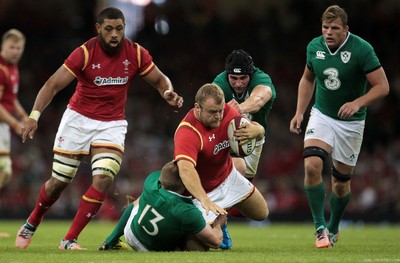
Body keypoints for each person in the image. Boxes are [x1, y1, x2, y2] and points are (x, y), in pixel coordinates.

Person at [15, 7, 183, 250]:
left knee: (104, 178)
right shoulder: (84, 52)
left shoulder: (135, 53)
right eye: (109, 29)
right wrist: (34, 116)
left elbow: (159, 79)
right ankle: (32, 222)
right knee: (58, 183)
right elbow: (52, 85)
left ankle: (69, 240)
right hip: (78, 121)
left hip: (112, 124)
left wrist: (167, 91)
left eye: (119, 28)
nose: (114, 34)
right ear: (98, 29)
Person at [289, 5, 389, 248]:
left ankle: (333, 227)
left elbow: (382, 86)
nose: (329, 32)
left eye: (335, 28)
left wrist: (358, 102)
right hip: (322, 114)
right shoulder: (314, 47)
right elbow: (307, 78)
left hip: (351, 123)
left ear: (346, 30)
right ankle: (319, 228)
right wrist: (299, 112)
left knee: (341, 184)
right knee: (312, 164)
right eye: (325, 27)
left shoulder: (362, 49)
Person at [173, 83, 269, 250]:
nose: (218, 116)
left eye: (220, 110)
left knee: (262, 213)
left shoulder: (227, 112)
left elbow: (255, 129)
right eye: (212, 112)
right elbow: (186, 170)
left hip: (227, 178)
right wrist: (204, 199)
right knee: (205, 246)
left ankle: (221, 215)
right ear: (197, 108)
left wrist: (258, 131)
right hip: (200, 193)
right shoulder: (187, 132)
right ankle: (205, 224)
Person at [98, 161, 226, 252]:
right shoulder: (185, 210)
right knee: (197, 239)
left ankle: (111, 241)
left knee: (138, 202)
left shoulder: (151, 181)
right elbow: (216, 242)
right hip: (151, 250)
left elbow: (166, 175)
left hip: (131, 234)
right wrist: (219, 222)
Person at [213, 49, 276, 182]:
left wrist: (238, 109)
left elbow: (258, 99)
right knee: (236, 173)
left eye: (243, 78)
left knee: (245, 182)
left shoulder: (262, 79)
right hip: (226, 137)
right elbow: (210, 102)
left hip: (256, 136)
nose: (238, 83)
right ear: (227, 75)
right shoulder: (220, 82)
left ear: (251, 75)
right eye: (233, 78)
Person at [0, 29, 27, 189]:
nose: (15, 51)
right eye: (12, 47)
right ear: (3, 46)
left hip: (3, 125)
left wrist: (24, 116)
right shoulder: (2, 70)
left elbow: (11, 98)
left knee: (5, 170)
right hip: (2, 123)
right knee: (4, 168)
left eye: (18, 48)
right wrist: (15, 124)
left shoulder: (12, 68)